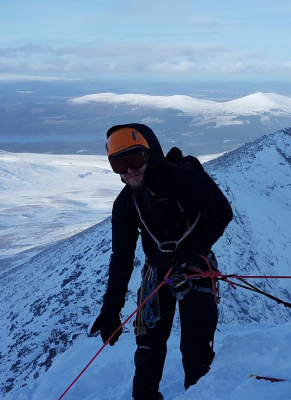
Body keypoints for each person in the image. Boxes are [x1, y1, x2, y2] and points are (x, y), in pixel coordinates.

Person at [90, 123, 233, 400]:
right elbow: (121, 257)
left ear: (151, 154)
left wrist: (191, 251)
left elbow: (221, 212)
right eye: (119, 164)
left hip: (195, 266)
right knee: (148, 350)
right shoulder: (125, 205)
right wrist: (111, 310)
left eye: (135, 160)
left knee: (195, 351)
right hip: (158, 271)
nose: (129, 171)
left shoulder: (184, 180)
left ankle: (198, 395)